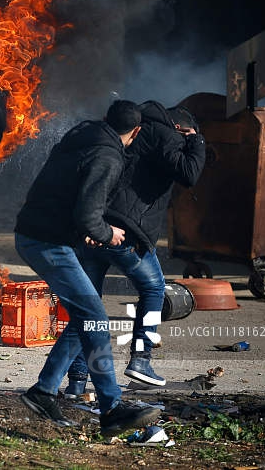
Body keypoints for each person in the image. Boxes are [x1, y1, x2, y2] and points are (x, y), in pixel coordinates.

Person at [14, 99, 161, 436]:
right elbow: (87, 213)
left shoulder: (84, 135)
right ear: (136, 132)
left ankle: (44, 391)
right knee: (94, 315)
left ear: (105, 117)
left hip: (39, 234)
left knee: (86, 315)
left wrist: (86, 231)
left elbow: (68, 195)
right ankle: (112, 409)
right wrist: (106, 232)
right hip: (46, 242)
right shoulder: (108, 156)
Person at [64, 101, 205, 395]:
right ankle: (141, 359)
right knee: (154, 290)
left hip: (92, 227)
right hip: (126, 232)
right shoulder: (168, 137)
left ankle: (77, 380)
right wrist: (195, 140)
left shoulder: (122, 133)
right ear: (180, 126)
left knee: (88, 308)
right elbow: (190, 173)